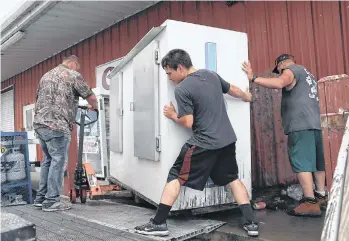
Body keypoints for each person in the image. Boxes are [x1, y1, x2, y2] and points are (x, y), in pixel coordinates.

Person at [135, 49, 259, 237]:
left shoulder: (183, 89)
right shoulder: (211, 75)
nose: (169, 78)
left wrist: (172, 115)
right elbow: (232, 89)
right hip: (227, 140)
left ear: (181, 68)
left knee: (175, 176)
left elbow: (188, 122)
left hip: (204, 143)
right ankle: (251, 224)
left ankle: (158, 223)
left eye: (170, 73)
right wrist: (246, 96)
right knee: (233, 178)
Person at [242, 54, 328, 217]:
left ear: (281, 65)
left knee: (301, 161)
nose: (280, 72)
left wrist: (254, 78)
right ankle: (321, 196)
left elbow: (280, 82)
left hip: (301, 125)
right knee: (317, 162)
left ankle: (310, 203)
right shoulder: (308, 74)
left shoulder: (290, 70)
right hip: (315, 124)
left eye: (279, 69)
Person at [32, 55, 98, 212]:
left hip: (40, 125)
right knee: (59, 161)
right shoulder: (73, 75)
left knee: (49, 159)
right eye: (78, 67)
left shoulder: (46, 75)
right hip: (57, 126)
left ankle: (41, 198)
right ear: (74, 64)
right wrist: (94, 107)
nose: (77, 69)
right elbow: (91, 97)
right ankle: (51, 201)